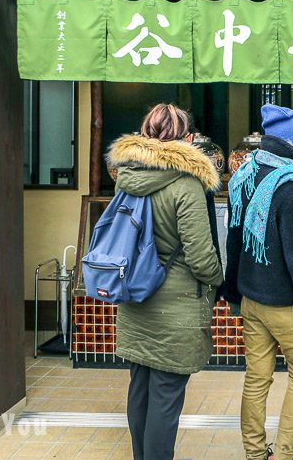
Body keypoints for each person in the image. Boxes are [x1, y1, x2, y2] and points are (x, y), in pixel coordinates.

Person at [107, 103, 224, 460]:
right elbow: (201, 256)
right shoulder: (187, 185)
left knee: (139, 387)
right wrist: (219, 280)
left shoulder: (126, 179)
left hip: (134, 297)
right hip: (174, 309)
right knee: (165, 398)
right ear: (188, 139)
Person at [223, 104, 293, 460]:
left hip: (253, 299)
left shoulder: (246, 173)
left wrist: (233, 291)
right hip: (288, 307)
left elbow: (234, 238)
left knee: (256, 380)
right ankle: (284, 455)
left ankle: (255, 454)